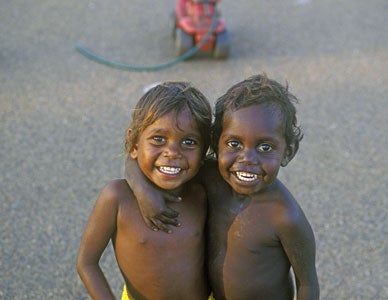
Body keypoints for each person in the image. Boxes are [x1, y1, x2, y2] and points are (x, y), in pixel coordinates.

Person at [125, 74, 320, 299]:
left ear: (288, 151)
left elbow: (307, 284)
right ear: (216, 143)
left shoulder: (285, 216)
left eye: (265, 147)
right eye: (234, 143)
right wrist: (143, 191)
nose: (247, 158)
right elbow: (134, 157)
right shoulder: (210, 176)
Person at [77, 81, 213, 300]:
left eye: (189, 142)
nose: (172, 153)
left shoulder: (203, 191)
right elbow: (87, 262)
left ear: (203, 151)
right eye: (159, 139)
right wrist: (141, 189)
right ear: (134, 143)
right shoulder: (117, 197)